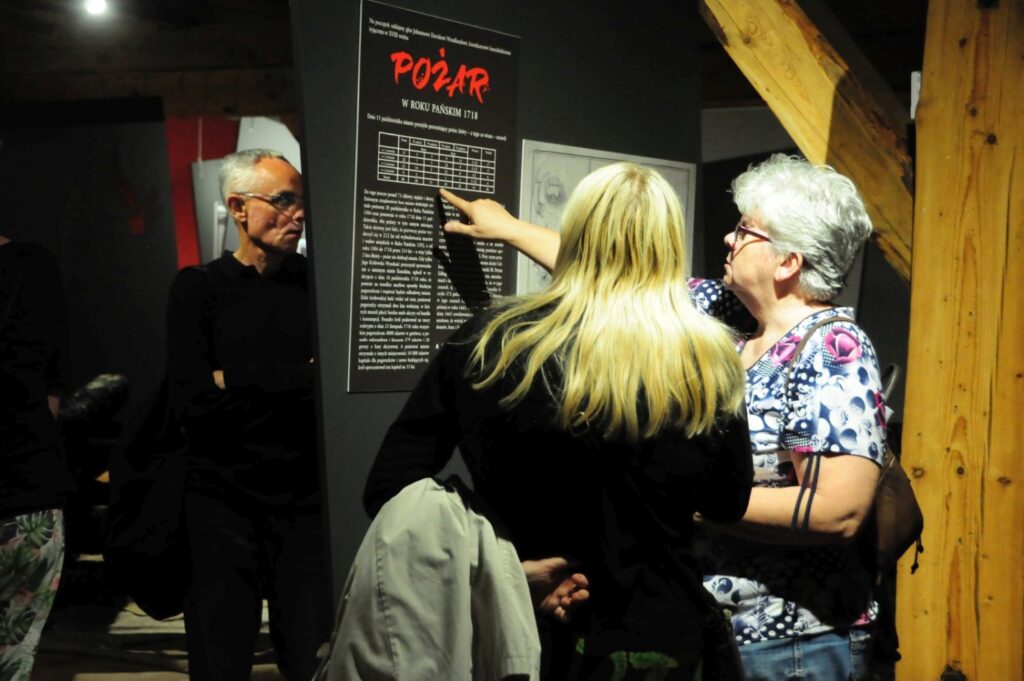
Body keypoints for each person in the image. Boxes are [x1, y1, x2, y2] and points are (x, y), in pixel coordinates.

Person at [440, 154, 888, 680]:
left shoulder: (834, 350)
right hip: (715, 628)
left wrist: (686, 499)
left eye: (746, 231)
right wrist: (509, 228)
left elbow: (839, 510)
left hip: (793, 642)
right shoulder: (723, 312)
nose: (730, 238)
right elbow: (611, 273)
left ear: (788, 262)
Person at [362, 162, 754, 679]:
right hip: (663, 640)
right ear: (668, 246)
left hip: (522, 633)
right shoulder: (710, 360)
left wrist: (506, 572)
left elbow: (389, 488)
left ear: (574, 233)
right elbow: (728, 501)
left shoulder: (491, 341)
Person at [165, 148, 331, 681]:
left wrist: (235, 376)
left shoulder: (318, 286)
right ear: (239, 207)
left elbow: (328, 388)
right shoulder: (198, 288)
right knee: (220, 661)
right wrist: (296, 377)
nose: (298, 214)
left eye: (301, 202)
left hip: (303, 504)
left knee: (310, 659)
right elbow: (194, 404)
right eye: (283, 200)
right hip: (220, 505)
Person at [0, 234, 75, 681]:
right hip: (32, 499)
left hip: (29, 494)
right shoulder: (33, 264)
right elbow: (53, 390)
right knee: (13, 662)